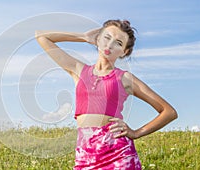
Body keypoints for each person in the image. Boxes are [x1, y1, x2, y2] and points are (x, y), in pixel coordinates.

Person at [35, 19, 178, 169]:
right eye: (107, 38)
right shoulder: (78, 70)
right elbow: (42, 37)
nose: (109, 45)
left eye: (118, 43)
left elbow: (169, 112)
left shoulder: (125, 78)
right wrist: (83, 37)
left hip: (118, 154)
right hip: (85, 155)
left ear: (125, 52)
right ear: (98, 39)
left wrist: (136, 133)